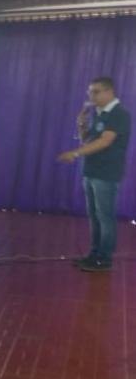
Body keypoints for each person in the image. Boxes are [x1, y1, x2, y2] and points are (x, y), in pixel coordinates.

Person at [58, 76, 132, 272]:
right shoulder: (99, 114)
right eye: (90, 92)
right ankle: (94, 255)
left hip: (106, 174)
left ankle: (104, 259)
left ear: (110, 92)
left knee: (105, 217)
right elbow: (87, 140)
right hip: (91, 171)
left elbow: (105, 141)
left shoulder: (119, 114)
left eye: (96, 92)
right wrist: (81, 124)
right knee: (94, 216)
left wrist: (74, 153)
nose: (92, 96)